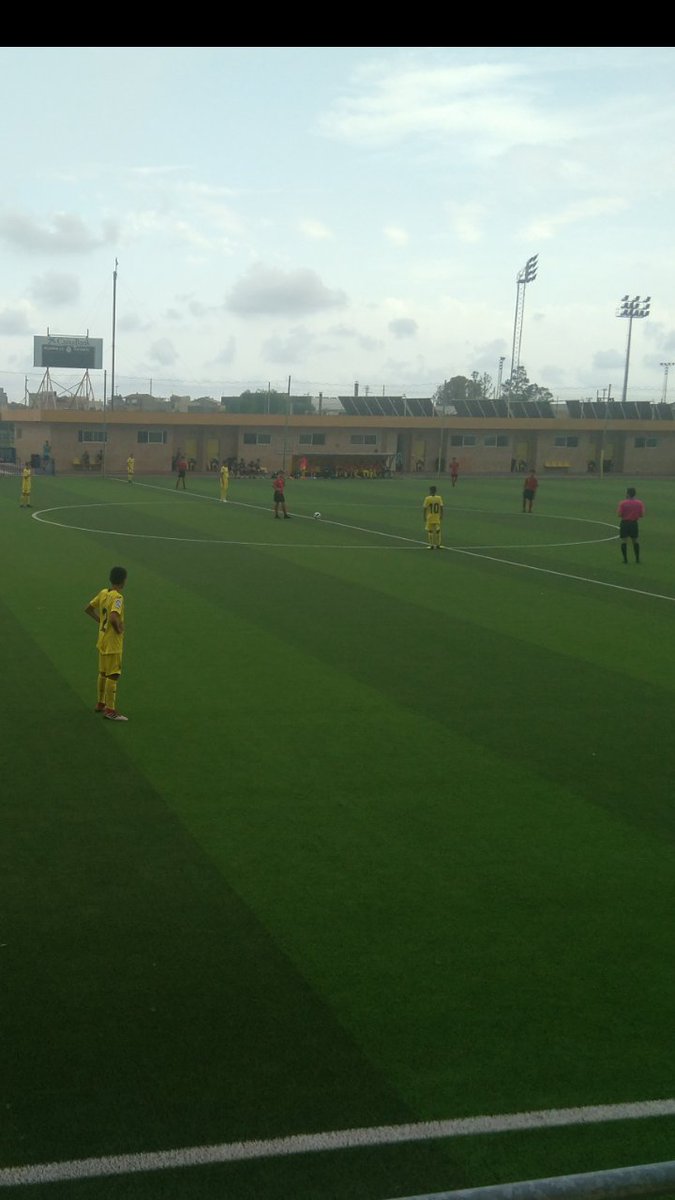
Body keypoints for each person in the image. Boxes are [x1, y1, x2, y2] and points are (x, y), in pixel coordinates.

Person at [84, 566, 129, 722]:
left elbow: (88, 609)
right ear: (123, 581)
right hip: (112, 642)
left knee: (103, 672)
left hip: (102, 639)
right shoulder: (118, 598)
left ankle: (100, 703)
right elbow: (113, 617)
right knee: (114, 674)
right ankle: (110, 710)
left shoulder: (104, 593)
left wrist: (100, 622)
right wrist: (118, 628)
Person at [617, 486, 645, 564]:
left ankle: (625, 559)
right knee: (635, 541)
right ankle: (637, 559)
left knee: (624, 541)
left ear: (628, 494)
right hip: (634, 523)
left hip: (625, 523)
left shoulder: (623, 503)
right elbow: (642, 515)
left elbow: (619, 514)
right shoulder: (639, 503)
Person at [423, 484, 444, 550]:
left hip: (430, 517)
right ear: (435, 491)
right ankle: (438, 545)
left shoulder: (427, 498)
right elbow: (441, 507)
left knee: (430, 531)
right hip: (437, 516)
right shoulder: (439, 498)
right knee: (438, 530)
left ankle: (431, 545)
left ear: (430, 491)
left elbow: (425, 508)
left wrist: (424, 516)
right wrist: (441, 515)